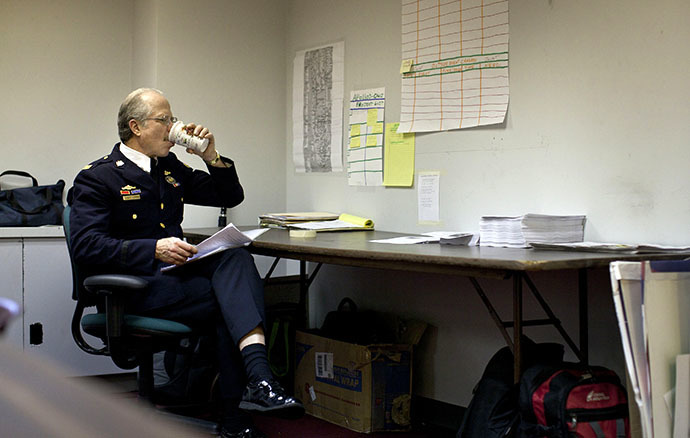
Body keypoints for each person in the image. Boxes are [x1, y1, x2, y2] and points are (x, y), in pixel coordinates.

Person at [68, 88, 303, 438]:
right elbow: (87, 246)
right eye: (165, 120)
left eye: (172, 119)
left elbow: (228, 196)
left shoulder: (168, 168)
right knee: (230, 301)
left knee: (235, 256)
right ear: (136, 127)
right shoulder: (98, 177)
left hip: (176, 283)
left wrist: (210, 155)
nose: (173, 127)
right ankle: (242, 409)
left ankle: (259, 381)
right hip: (133, 289)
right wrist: (153, 248)